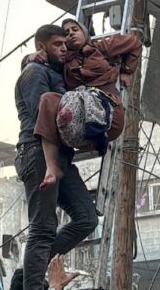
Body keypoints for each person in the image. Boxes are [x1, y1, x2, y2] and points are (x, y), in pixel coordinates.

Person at [14, 24, 99, 290]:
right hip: (37, 152)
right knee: (43, 228)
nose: (64, 48)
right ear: (41, 47)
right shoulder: (34, 72)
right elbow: (48, 115)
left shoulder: (53, 70)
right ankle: (32, 284)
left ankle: (26, 275)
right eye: (57, 45)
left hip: (61, 156)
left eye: (65, 44)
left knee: (87, 217)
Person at [33, 18, 143, 190]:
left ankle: (97, 138)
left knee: (84, 99)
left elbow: (134, 43)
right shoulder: (63, 62)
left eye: (74, 29)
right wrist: (30, 57)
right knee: (48, 99)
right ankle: (51, 167)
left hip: (108, 111)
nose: (70, 34)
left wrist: (127, 71)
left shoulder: (101, 47)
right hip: (78, 116)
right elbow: (39, 59)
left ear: (84, 32)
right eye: (66, 33)